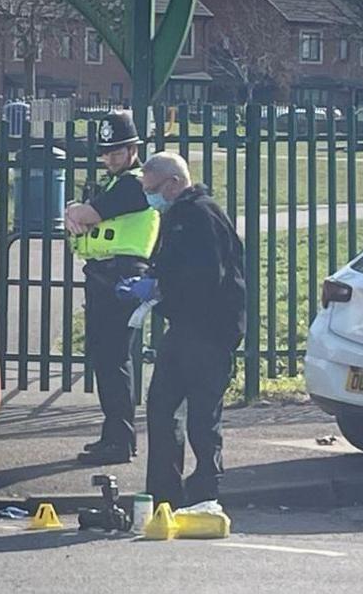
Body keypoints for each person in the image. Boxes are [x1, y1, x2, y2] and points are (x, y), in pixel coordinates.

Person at [125, 151, 246, 509]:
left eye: (154, 190)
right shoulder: (179, 215)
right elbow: (175, 266)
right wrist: (152, 281)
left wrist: (159, 290)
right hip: (184, 327)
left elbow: (206, 278)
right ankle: (165, 493)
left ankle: (206, 491)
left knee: (202, 416)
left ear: (174, 183)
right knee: (162, 406)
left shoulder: (201, 215)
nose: (151, 198)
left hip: (210, 329)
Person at [64, 111, 160, 464]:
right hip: (105, 276)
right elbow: (83, 214)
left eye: (117, 151)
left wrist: (77, 211)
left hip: (122, 276)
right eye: (105, 152)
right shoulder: (115, 182)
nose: (109, 158)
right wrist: (78, 210)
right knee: (105, 358)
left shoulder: (135, 183)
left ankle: (119, 441)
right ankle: (113, 435)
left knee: (113, 359)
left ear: (133, 148)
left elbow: (88, 217)